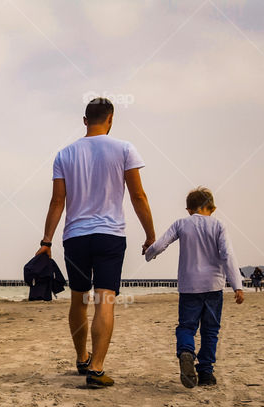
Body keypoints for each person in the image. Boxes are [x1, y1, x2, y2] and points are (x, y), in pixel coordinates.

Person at [37, 97, 156, 389]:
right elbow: (138, 196)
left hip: (75, 237)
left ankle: (82, 358)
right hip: (110, 235)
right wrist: (150, 235)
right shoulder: (124, 149)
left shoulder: (64, 154)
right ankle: (97, 368)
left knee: (79, 299)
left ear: (84, 120)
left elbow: (57, 201)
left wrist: (46, 241)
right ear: (111, 119)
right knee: (105, 299)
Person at [145, 187, 244, 387]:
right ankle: (206, 373)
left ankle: (186, 352)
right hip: (213, 286)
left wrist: (148, 254)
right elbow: (227, 255)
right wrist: (237, 286)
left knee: (186, 326)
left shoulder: (181, 224)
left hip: (189, 287)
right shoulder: (218, 225)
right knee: (210, 330)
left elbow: (161, 244)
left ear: (189, 209)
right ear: (212, 208)